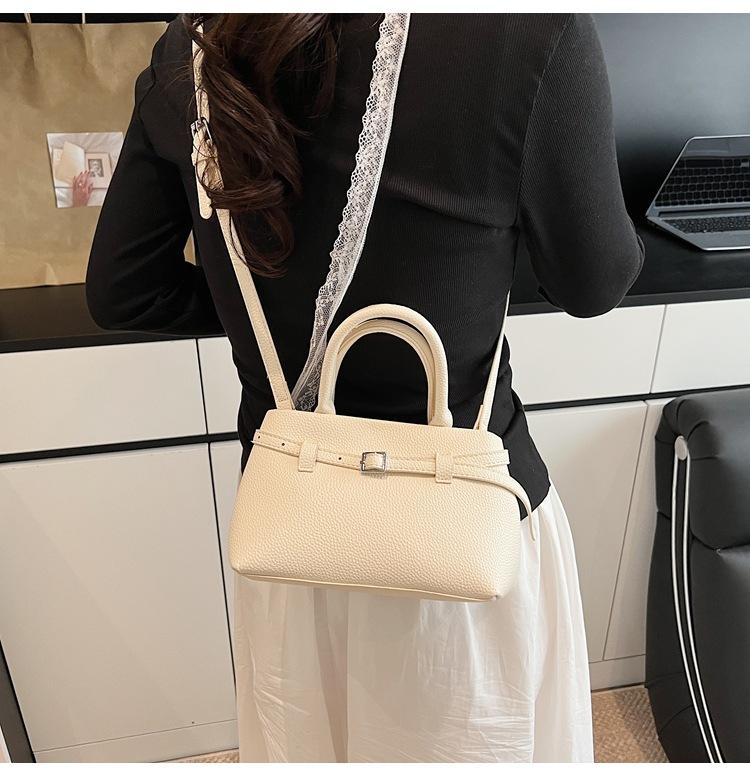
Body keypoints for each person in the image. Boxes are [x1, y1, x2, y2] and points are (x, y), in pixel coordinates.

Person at [86, 13, 644, 763]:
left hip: (294, 530)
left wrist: (263, 319)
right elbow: (594, 280)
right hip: (463, 527)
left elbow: (124, 291)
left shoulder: (194, 47)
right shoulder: (530, 29)